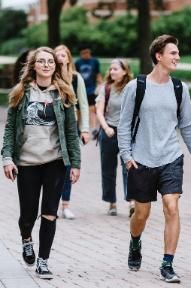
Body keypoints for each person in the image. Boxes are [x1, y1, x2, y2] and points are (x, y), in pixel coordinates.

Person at [118, 34, 191, 283]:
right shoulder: (136, 87)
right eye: (173, 53)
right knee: (141, 215)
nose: (178, 57)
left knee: (171, 206)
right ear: (159, 56)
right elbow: (124, 125)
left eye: (177, 53)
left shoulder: (180, 88)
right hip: (141, 159)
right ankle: (135, 242)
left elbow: (187, 125)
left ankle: (167, 263)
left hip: (170, 157)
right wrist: (126, 155)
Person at [1, 47, 81, 279]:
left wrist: (75, 164)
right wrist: (7, 158)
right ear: (33, 65)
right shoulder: (20, 93)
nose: (46, 65)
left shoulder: (64, 94)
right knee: (28, 214)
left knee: (49, 213)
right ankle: (27, 239)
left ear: (55, 66)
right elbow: (9, 130)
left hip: (55, 162)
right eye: (41, 61)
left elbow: (71, 133)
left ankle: (43, 261)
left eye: (50, 62)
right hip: (26, 163)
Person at [55, 44, 89, 219]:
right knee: (53, 165)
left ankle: (65, 205)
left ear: (68, 58)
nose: (60, 57)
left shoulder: (76, 78)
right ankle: (51, 204)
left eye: (63, 55)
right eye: (57, 55)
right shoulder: (50, 78)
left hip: (71, 128)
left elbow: (83, 104)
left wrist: (85, 129)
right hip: (52, 128)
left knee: (68, 166)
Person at [96, 58, 134, 217]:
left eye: (115, 69)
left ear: (125, 71)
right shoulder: (105, 88)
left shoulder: (132, 88)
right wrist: (106, 128)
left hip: (127, 134)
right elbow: (99, 111)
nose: (112, 72)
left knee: (130, 168)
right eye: (110, 69)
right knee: (108, 170)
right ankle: (111, 202)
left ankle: (132, 201)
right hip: (109, 132)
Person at [75, 45, 102, 139]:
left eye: (88, 52)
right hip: (80, 90)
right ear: (81, 53)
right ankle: (77, 128)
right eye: (84, 53)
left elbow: (98, 74)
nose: (86, 54)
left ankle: (94, 129)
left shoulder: (95, 61)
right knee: (79, 110)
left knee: (92, 109)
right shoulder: (78, 62)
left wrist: (100, 86)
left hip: (91, 89)